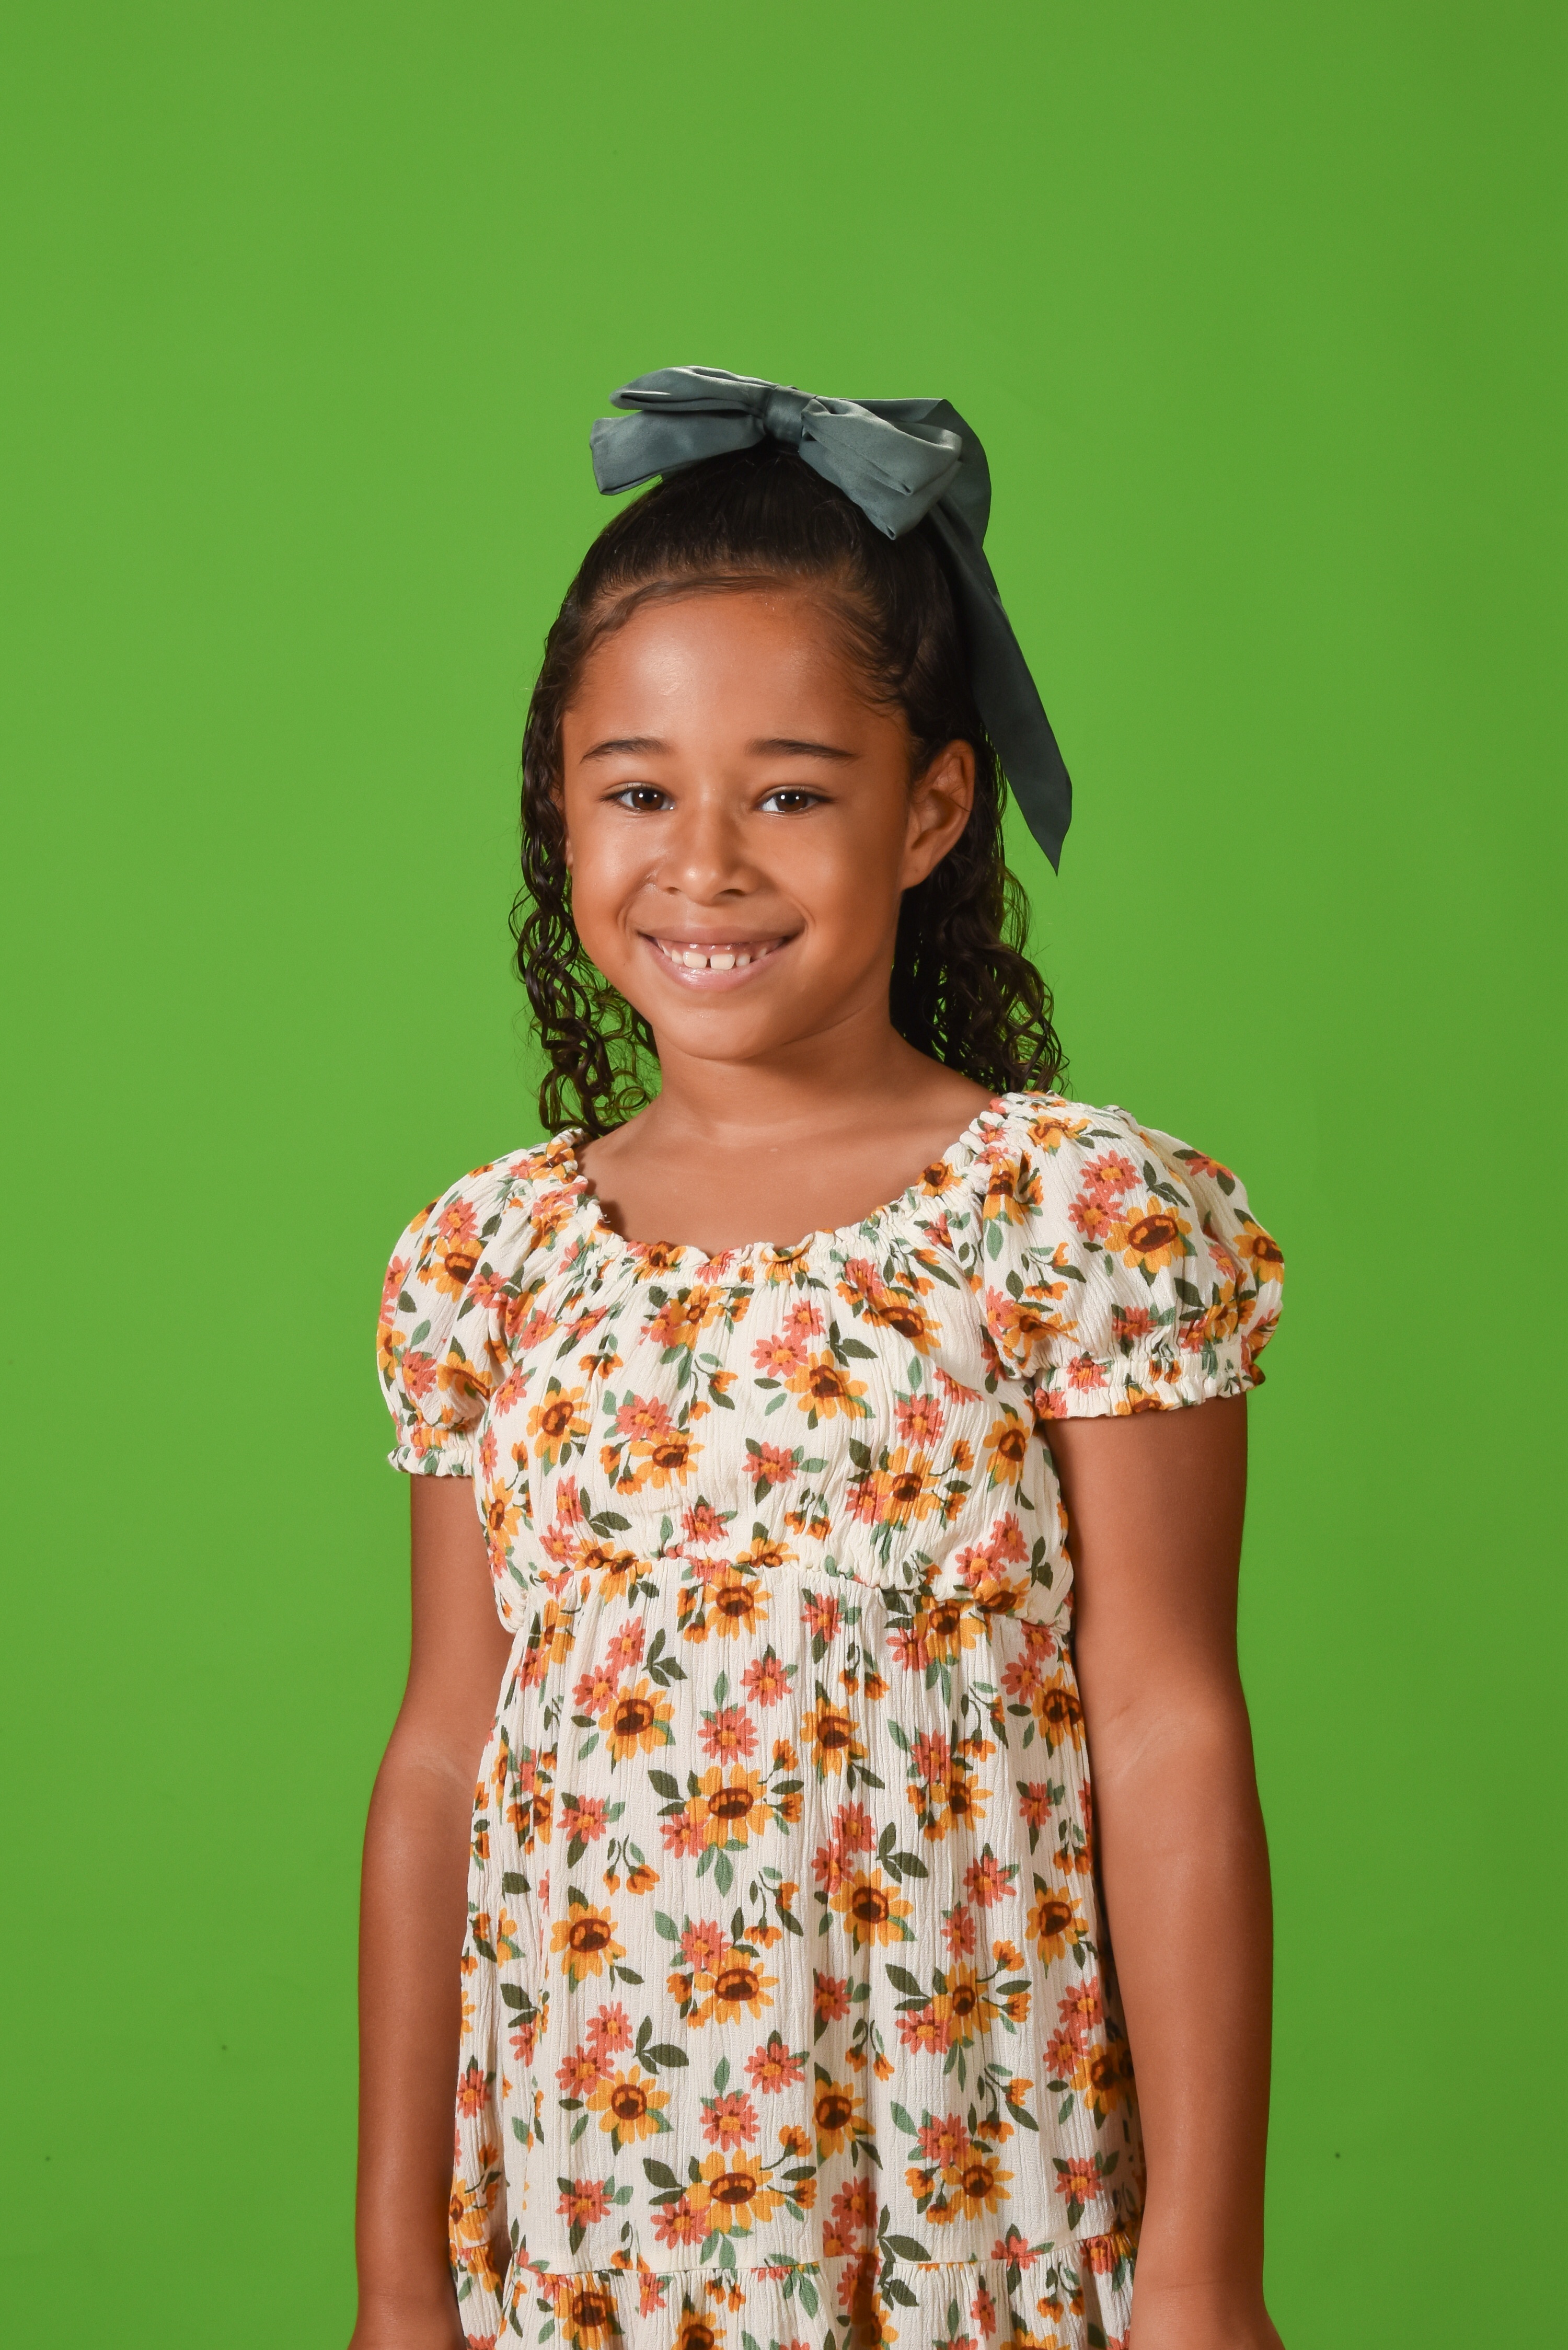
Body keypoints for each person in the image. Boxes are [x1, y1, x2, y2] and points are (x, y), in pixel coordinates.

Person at [352, 370, 1287, 2350]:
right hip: (597, 2219)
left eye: (788, 793)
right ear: (561, 810)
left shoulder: (1069, 1221)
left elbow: (1169, 1727)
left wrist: (1204, 2272)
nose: (704, 864)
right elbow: (443, 1755)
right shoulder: (490, 1263)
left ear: (931, 808)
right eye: (636, 793)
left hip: (970, 2192)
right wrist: (397, 2281)